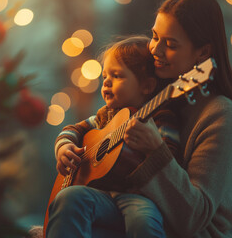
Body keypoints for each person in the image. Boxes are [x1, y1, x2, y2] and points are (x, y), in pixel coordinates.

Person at [121, 0, 232, 237]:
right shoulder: (154, 97)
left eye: (170, 44)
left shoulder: (221, 114)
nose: (155, 50)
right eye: (155, 36)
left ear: (203, 52)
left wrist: (156, 151)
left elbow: (193, 217)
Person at [46, 36, 180, 238]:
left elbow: (172, 159)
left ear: (147, 86)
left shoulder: (161, 118)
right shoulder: (104, 117)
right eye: (105, 76)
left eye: (117, 76)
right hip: (100, 197)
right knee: (68, 196)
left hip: (140, 197)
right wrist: (64, 148)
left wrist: (152, 147)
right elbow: (72, 130)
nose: (106, 81)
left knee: (144, 220)